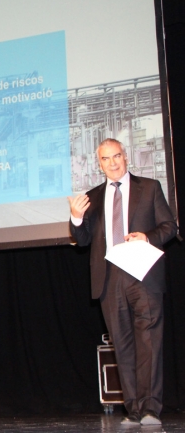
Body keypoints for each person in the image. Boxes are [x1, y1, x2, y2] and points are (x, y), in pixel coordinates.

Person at [68, 138, 177, 426]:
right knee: (123, 345)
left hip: (143, 273)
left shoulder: (150, 187)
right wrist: (76, 218)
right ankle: (134, 409)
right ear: (99, 164)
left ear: (125, 157)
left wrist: (147, 236)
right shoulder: (93, 196)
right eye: (106, 159)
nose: (113, 163)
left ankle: (151, 408)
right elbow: (82, 241)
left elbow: (170, 226)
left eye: (117, 156)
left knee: (149, 340)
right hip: (110, 277)